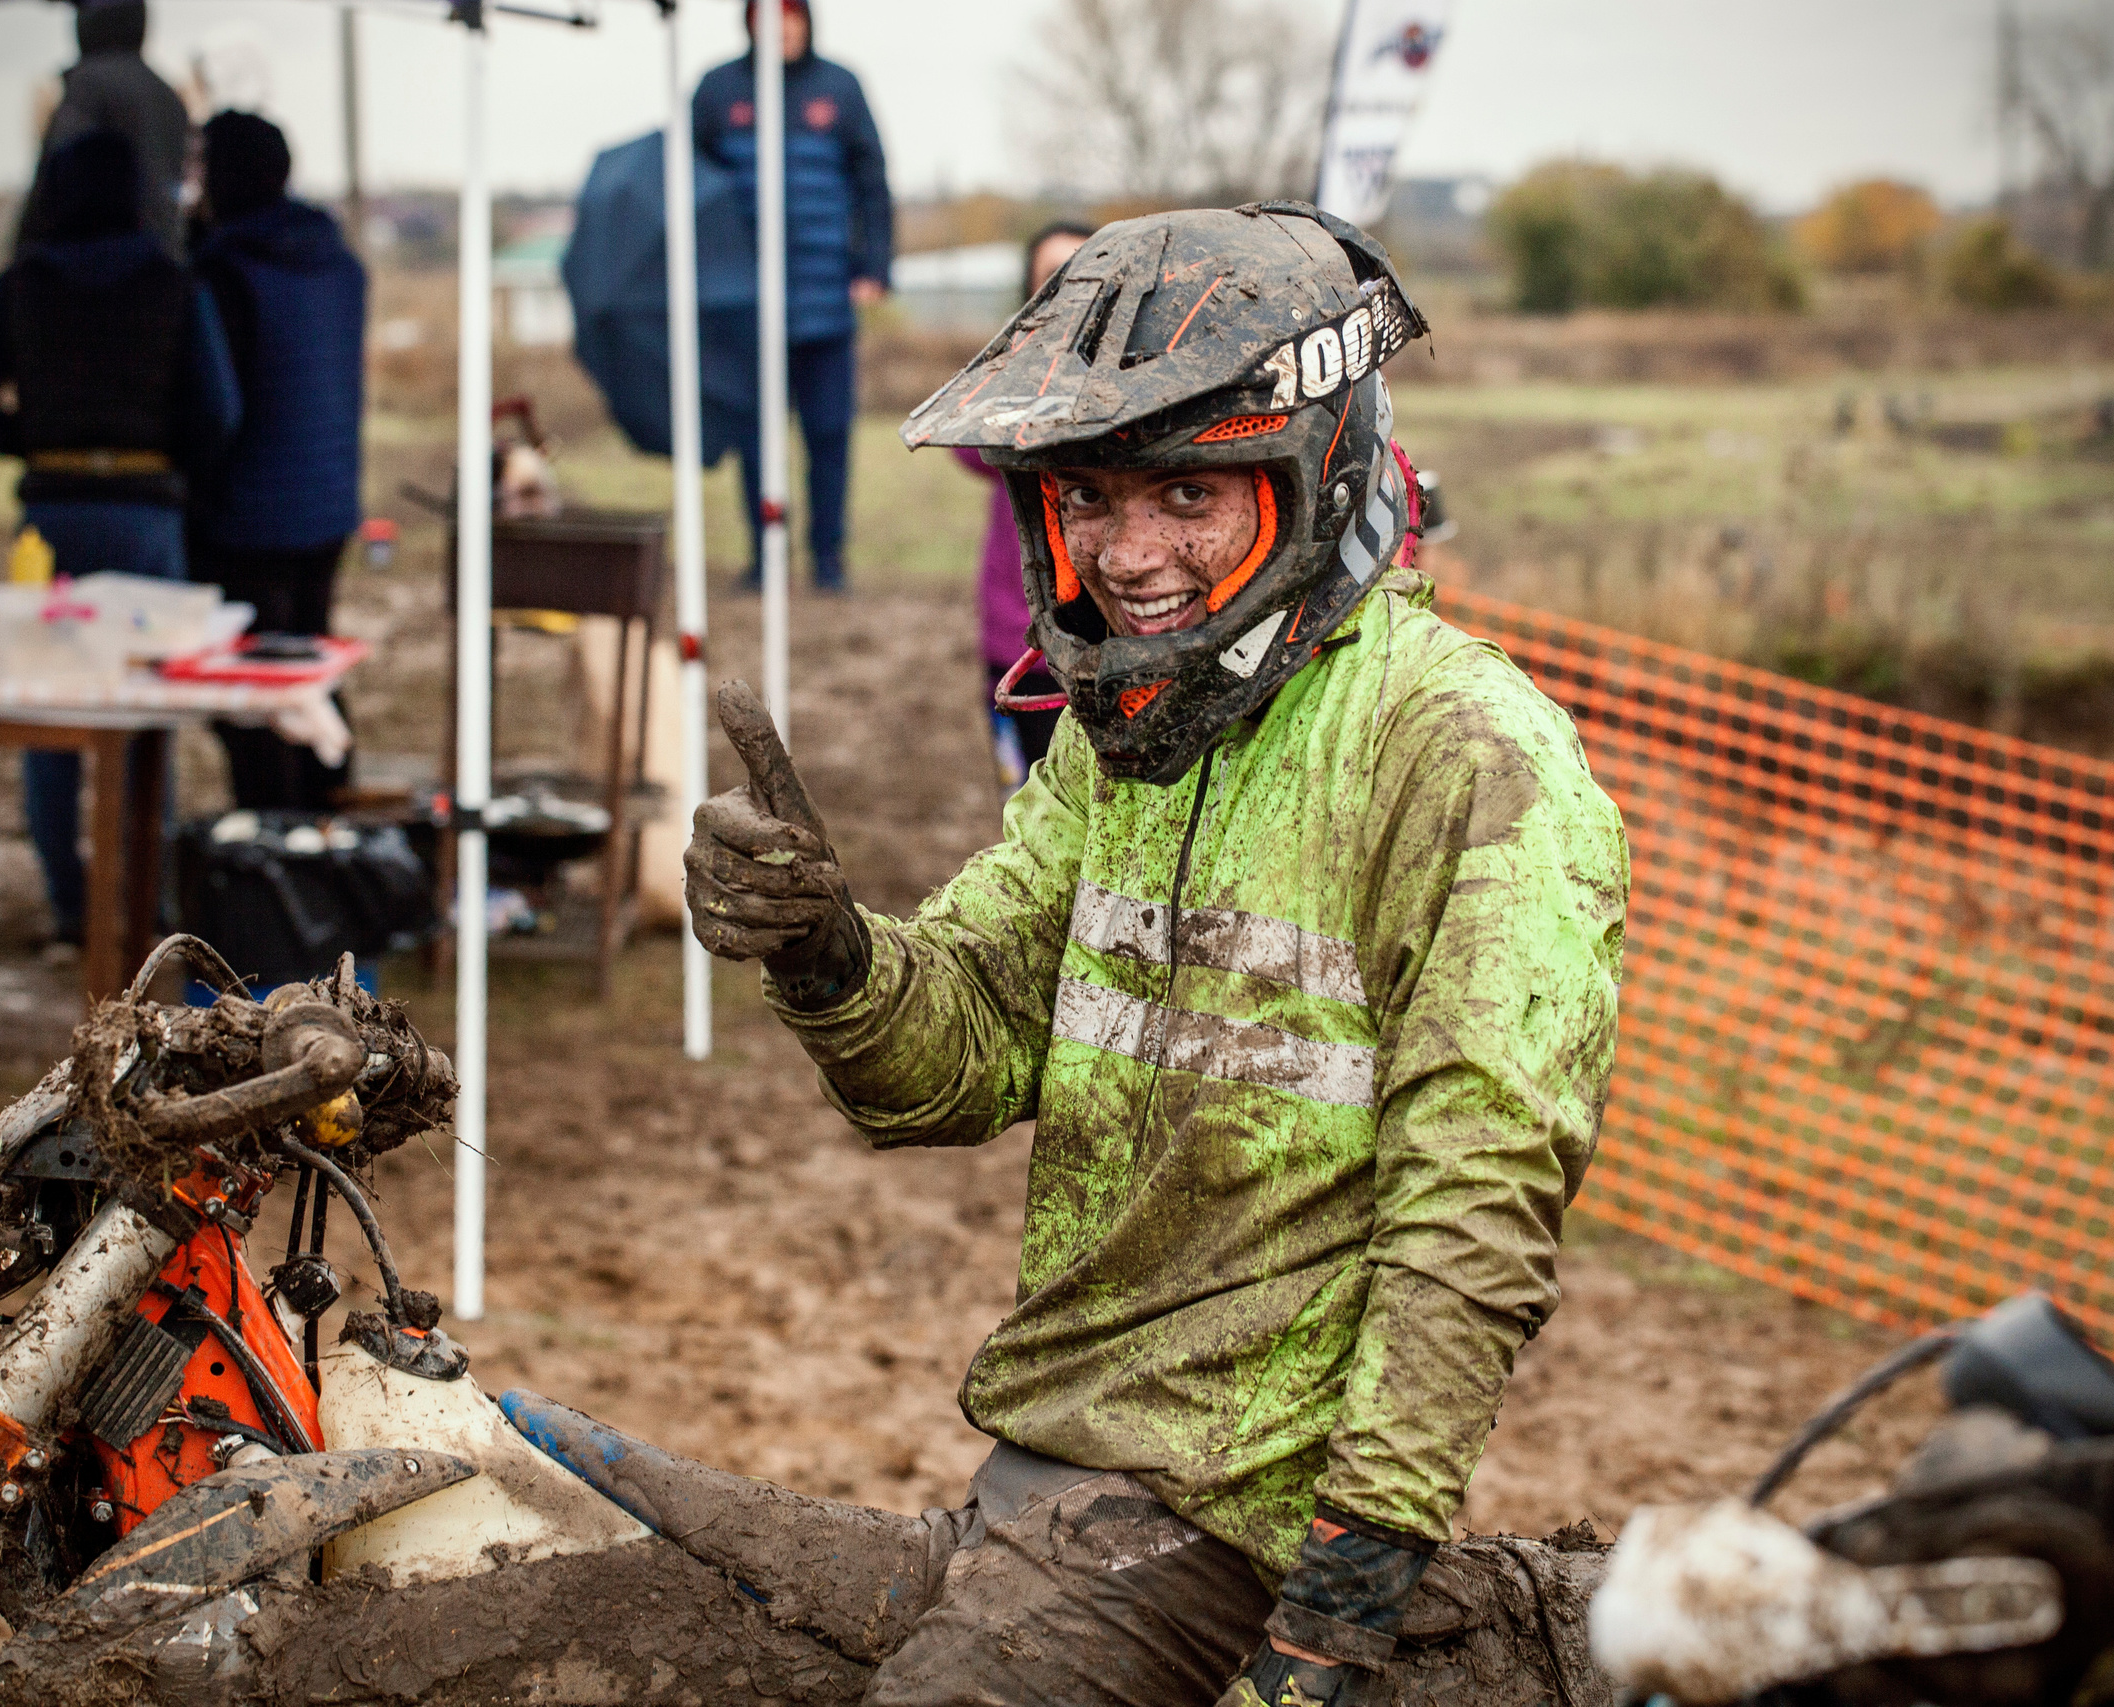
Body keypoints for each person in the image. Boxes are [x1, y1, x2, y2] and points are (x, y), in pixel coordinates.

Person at [686, 204, 1629, 1706]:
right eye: (1089, 496)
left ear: (1312, 476)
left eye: (1189, 492)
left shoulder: (1464, 755)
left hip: (1237, 1519)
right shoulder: (1128, 737)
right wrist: (825, 953)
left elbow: (1477, 1204)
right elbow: (966, 1048)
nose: (1129, 556)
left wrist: (1340, 1603)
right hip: (1056, 1472)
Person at [0, 130, 241, 951]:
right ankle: (145, 902)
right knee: (149, 712)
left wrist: (36, 442)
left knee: (49, 715)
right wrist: (165, 457)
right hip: (148, 517)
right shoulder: (173, 285)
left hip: (54, 519)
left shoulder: (20, 284)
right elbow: (217, 411)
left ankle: (71, 905)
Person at [188, 109, 369, 812]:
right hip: (325, 500)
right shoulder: (335, 260)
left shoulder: (225, 271)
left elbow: (217, 404)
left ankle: (281, 851)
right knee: (312, 675)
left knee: (260, 699)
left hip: (248, 510)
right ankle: (332, 830)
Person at [694, 0, 892, 594]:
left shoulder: (840, 87)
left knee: (829, 436)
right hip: (747, 310)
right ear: (749, 21)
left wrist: (873, 268)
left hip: (826, 305)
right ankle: (764, 559)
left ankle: (828, 562)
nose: (780, 27)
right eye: (766, 15)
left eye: (790, 14)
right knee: (756, 442)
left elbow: (872, 185)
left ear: (805, 19)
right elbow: (690, 190)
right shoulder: (717, 90)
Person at [959, 221, 1093, 797]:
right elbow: (965, 444)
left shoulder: (1145, 371)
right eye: (1052, 277)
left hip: (1112, 640)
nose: (1069, 289)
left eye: (1083, 273)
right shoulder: (1012, 368)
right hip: (1020, 632)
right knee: (1027, 805)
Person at [16, 0, 190, 256]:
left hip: (93, 262)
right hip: (160, 257)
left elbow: (53, 186)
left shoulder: (88, 86)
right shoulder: (164, 94)